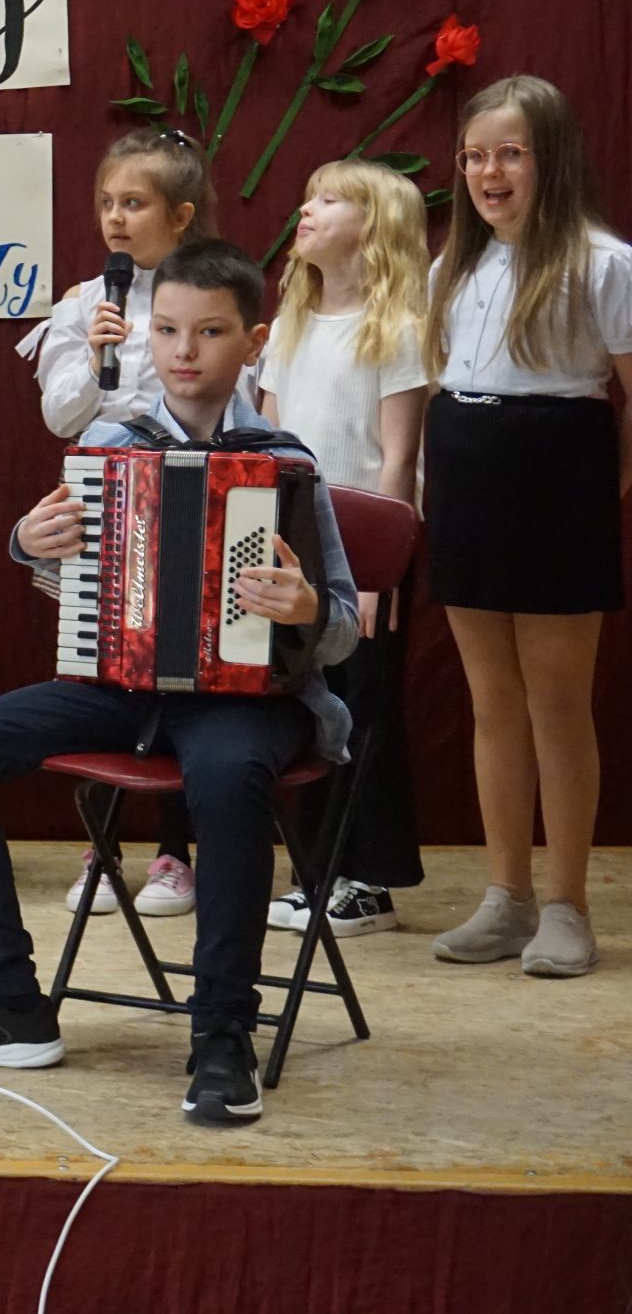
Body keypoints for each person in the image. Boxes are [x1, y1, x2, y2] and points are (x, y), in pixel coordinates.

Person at [0, 240, 358, 1128]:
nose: (183, 350)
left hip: (250, 696)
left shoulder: (287, 460)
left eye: (209, 332)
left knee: (227, 776)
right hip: (127, 687)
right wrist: (30, 544)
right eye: (167, 330)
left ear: (252, 342)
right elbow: (74, 591)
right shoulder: (111, 444)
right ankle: (7, 999)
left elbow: (344, 623)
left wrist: (304, 609)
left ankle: (223, 1032)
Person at [421, 76, 632, 980]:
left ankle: (567, 904)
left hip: (558, 473)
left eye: (509, 153)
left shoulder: (603, 263)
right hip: (468, 471)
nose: (489, 172)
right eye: (474, 156)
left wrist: (603, 482)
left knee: (556, 700)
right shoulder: (453, 267)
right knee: (492, 701)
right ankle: (505, 896)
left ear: (553, 158)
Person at [17, 126, 221, 918]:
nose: (114, 217)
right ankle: (100, 850)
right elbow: (59, 415)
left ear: (180, 215)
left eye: (134, 202)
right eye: (107, 201)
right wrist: (93, 353)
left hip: (189, 499)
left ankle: (175, 851)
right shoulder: (84, 301)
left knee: (184, 674)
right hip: (105, 501)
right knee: (98, 669)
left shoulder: (210, 294)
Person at [258, 159, 429, 938]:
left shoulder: (398, 331)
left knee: (363, 709)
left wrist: (372, 576)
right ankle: (315, 870)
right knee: (310, 707)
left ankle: (369, 879)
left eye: (329, 199)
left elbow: (398, 458)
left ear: (375, 226)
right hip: (292, 549)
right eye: (308, 196)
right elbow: (265, 441)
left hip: (360, 557)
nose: (308, 208)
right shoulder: (289, 326)